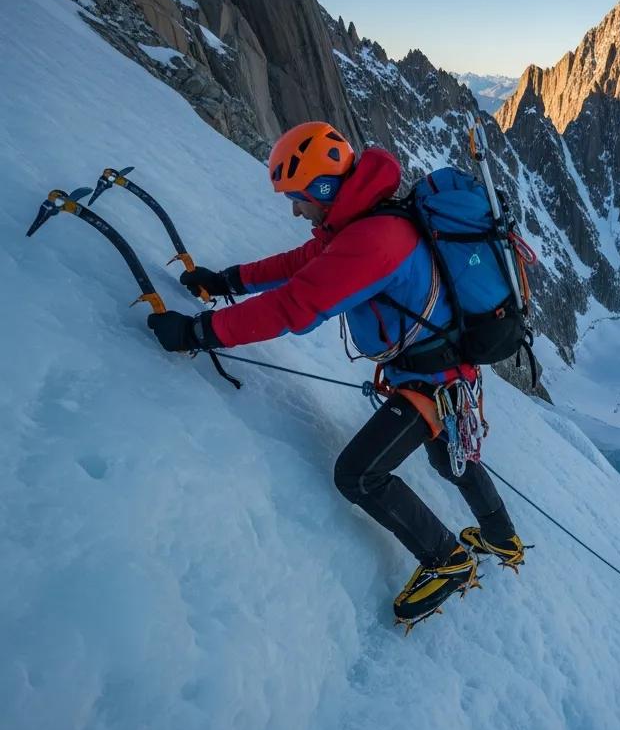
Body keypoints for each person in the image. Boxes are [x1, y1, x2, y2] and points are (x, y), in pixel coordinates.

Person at [147, 121, 525, 628]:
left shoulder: (375, 238)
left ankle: (445, 560)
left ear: (323, 188)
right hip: (443, 376)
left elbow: (294, 307)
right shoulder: (363, 221)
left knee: (359, 474)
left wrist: (198, 333)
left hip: (431, 382)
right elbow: (305, 263)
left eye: (298, 197)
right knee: (450, 455)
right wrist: (228, 280)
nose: (295, 209)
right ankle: (502, 537)